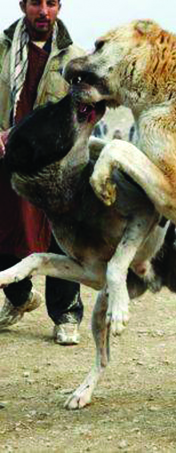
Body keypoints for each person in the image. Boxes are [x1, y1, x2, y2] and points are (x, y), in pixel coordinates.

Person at [0, 0, 86, 344]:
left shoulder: (75, 58)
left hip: (55, 165)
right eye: (36, 2)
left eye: (51, 3)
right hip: (8, 159)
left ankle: (66, 313)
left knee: (59, 238)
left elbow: (87, 112)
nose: (44, 11)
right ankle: (19, 298)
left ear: (60, 7)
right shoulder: (3, 51)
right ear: (23, 5)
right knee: (6, 231)